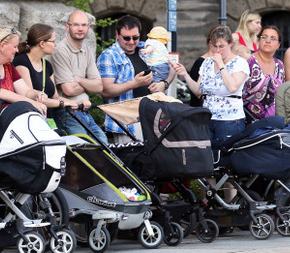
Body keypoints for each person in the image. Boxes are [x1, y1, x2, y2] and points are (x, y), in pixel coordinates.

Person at [175, 25, 249, 200]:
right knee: (207, 164)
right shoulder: (206, 63)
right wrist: (185, 75)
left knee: (228, 166)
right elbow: (199, 91)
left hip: (230, 119)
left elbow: (232, 87)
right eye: (213, 46)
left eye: (221, 46)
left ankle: (231, 205)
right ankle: (208, 203)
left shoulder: (240, 63)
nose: (217, 50)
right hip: (208, 117)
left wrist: (221, 64)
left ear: (230, 44)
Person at [97, 15, 175, 143]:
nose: (132, 42)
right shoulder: (109, 55)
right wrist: (134, 83)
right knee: (131, 161)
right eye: (126, 38)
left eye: (135, 37)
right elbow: (106, 90)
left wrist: (163, 84)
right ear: (117, 34)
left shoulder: (146, 48)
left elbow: (171, 67)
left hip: (154, 118)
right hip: (127, 122)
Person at [0, 26, 46, 151]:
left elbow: (25, 91)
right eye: (14, 46)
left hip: (3, 130)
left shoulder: (8, 66)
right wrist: (32, 103)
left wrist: (37, 94)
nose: (17, 50)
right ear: (2, 45)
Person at [50, 11, 108, 143]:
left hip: (85, 110)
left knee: (104, 144)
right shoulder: (61, 50)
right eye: (76, 25)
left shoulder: (86, 50)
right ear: (67, 27)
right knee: (85, 149)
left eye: (83, 25)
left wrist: (79, 80)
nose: (80, 28)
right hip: (67, 111)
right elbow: (68, 90)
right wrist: (88, 85)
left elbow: (99, 86)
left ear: (88, 27)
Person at [13, 24, 81, 128]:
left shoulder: (46, 65)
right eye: (53, 41)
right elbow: (31, 97)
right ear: (42, 44)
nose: (56, 44)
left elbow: (55, 96)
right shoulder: (21, 62)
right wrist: (64, 103)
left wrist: (76, 102)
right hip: (31, 120)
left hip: (49, 118)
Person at [242, 25, 285, 120]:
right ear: (258, 41)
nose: (268, 41)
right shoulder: (249, 61)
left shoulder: (280, 65)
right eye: (264, 37)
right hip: (249, 122)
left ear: (278, 45)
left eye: (273, 39)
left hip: (273, 123)